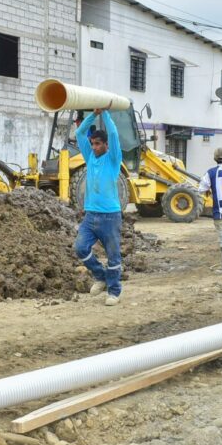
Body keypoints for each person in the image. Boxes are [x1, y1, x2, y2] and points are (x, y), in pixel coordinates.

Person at [73, 101, 123, 307]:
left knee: (113, 255)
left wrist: (106, 115)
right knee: (80, 248)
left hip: (110, 216)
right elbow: (79, 134)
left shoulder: (112, 159)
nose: (93, 147)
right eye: (92, 144)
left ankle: (114, 291)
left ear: (105, 145)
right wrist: (93, 115)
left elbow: (113, 134)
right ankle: (100, 276)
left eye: (97, 144)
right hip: (91, 215)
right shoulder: (90, 157)